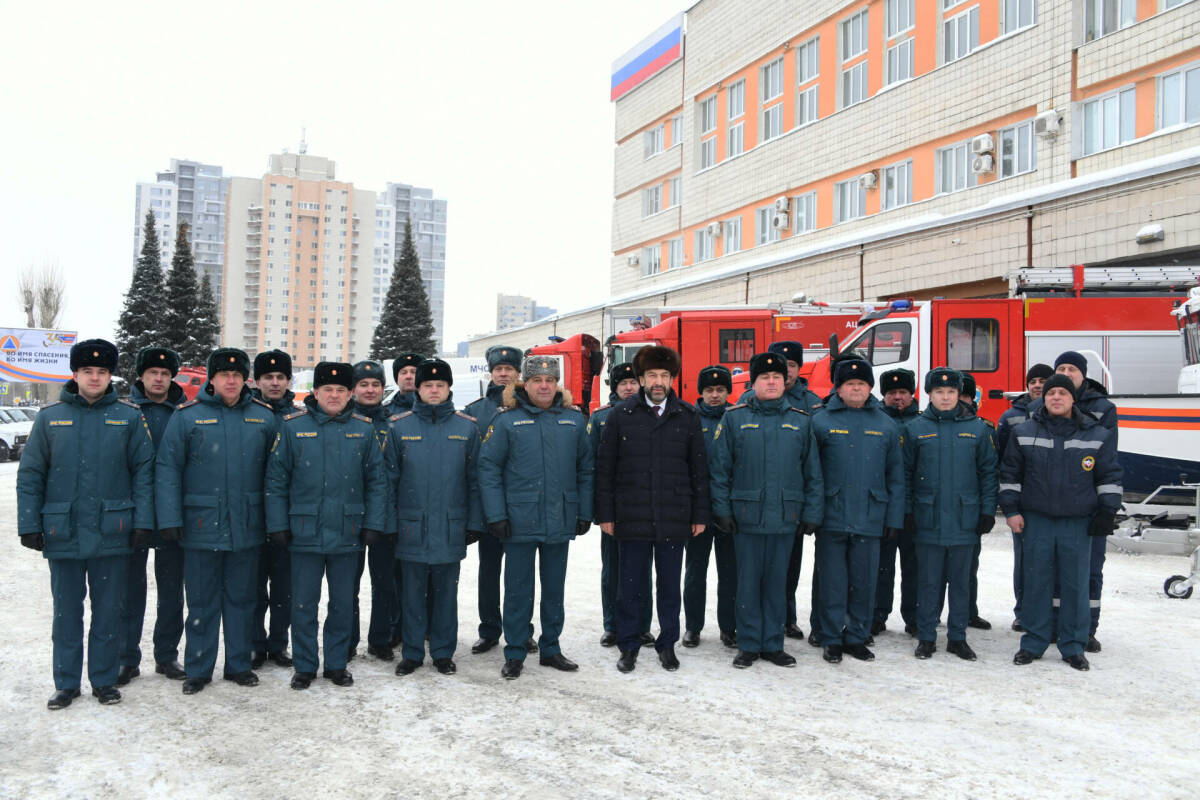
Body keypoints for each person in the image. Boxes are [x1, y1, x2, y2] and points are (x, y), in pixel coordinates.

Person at [17, 339, 155, 709]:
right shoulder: (50, 418)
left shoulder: (128, 417)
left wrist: (143, 521)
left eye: (102, 372)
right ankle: (66, 682)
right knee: (66, 612)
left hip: (114, 531)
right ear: (74, 375)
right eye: (87, 371)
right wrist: (29, 523)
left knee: (109, 610)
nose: (95, 378)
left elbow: (144, 472)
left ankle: (104, 680)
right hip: (63, 530)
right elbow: (31, 474)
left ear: (111, 376)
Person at [156, 347, 280, 695]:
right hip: (199, 527)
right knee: (202, 601)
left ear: (246, 380)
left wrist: (274, 522)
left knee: (242, 600)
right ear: (211, 379)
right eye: (224, 374)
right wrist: (169, 517)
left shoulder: (263, 418)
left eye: (237, 375)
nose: (230, 380)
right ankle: (198, 667)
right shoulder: (187, 418)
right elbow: (167, 471)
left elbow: (277, 476)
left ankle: (239, 665)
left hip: (248, 526)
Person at [265, 362, 386, 689]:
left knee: (342, 603)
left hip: (348, 531)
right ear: (315, 393)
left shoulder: (363, 429)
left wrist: (373, 523)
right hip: (303, 531)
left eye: (340, 390)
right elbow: (276, 480)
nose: (334, 395)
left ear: (350, 394)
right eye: (327, 390)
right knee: (303, 603)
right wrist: (278, 524)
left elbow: (377, 481)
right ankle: (304, 666)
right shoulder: (293, 427)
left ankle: (336, 664)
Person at [478, 356, 593, 679]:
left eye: (550, 380)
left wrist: (583, 511)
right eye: (536, 380)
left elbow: (586, 468)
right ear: (523, 385)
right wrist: (496, 515)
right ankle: (515, 651)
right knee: (517, 590)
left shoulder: (573, 421)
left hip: (559, 518)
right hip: (518, 521)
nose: (544, 386)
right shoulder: (506, 421)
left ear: (557, 384)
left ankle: (551, 648)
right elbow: (488, 470)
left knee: (554, 589)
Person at [595, 346, 709, 673]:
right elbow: (606, 470)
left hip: (674, 516)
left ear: (672, 379)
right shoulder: (621, 415)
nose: (658, 382)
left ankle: (667, 644)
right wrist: (606, 514)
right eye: (651, 376)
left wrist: (700, 515)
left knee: (669, 588)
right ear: (641, 379)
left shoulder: (687, 416)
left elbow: (699, 471)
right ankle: (628, 645)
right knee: (629, 586)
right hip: (631, 516)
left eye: (664, 376)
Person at [1000, 374, 1122, 671]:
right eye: (1051, 392)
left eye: (1062, 393)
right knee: (1037, 583)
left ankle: (1073, 646)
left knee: (1075, 586)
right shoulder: (1025, 431)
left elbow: (1109, 476)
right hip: (1037, 520)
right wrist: (1011, 510)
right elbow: (1010, 475)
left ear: (1072, 399)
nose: (1056, 397)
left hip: (1077, 523)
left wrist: (1107, 511)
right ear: (1044, 398)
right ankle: (1033, 642)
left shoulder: (1096, 434)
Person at [711, 352, 823, 669]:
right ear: (754, 382)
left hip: (786, 516)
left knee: (777, 583)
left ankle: (773, 643)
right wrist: (722, 510)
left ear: (784, 382)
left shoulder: (800, 420)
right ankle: (748, 644)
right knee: (747, 583)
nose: (772, 382)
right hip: (745, 518)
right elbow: (720, 470)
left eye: (776, 377)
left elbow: (812, 472)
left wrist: (812, 512)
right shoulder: (734, 418)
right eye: (764, 378)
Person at [388, 359, 483, 676]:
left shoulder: (466, 428)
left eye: (439, 385)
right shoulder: (399, 427)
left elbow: (475, 481)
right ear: (418, 388)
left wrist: (473, 522)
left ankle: (443, 652)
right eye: (428, 385)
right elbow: (388, 481)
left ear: (448, 388)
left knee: (446, 593)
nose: (433, 390)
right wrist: (390, 522)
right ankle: (412, 652)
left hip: (450, 525)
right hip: (410, 526)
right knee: (412, 593)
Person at [811, 355, 904, 664]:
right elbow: (812, 473)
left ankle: (857, 635)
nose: (856, 389)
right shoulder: (821, 421)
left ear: (870, 388)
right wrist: (813, 513)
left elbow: (896, 476)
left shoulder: (886, 424)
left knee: (864, 581)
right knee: (833, 581)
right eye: (850, 384)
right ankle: (831, 637)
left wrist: (893, 517)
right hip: (832, 515)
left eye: (862, 384)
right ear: (839, 388)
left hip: (870, 515)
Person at [905, 368, 998, 661]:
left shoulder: (979, 430)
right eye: (939, 393)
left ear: (960, 395)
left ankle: (958, 637)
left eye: (951, 393)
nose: (945, 398)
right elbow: (905, 475)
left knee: (961, 581)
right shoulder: (915, 429)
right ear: (929, 395)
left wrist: (986, 511)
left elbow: (988, 474)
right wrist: (907, 511)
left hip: (964, 518)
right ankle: (927, 636)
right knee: (929, 581)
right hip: (927, 517)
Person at [119, 346, 188, 685]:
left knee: (172, 591)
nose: (159, 379)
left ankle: (167, 655)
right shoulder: (125, 410)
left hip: (173, 513)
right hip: (134, 514)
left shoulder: (185, 412)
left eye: (164, 374)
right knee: (130, 589)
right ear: (141, 376)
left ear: (172, 377)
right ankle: (126, 657)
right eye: (152, 373)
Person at [463, 344, 538, 656]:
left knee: (522, 574)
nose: (504, 374)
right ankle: (490, 628)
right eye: (499, 369)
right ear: (491, 372)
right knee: (489, 570)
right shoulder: (475, 411)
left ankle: (523, 630)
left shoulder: (531, 407)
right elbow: (469, 464)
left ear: (519, 373)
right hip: (487, 507)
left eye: (509, 369)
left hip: (523, 505)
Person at [1048, 351, 1117, 653]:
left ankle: (1087, 628)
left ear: (1084, 375)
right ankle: (1054, 625)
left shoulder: (1103, 409)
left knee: (1090, 571)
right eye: (1061, 368)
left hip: (1087, 505)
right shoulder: (1046, 405)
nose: (1067, 372)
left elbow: (1108, 462)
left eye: (1072, 369)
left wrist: (1107, 507)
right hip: (1053, 505)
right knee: (1054, 571)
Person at [588, 362, 653, 648]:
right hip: (614, 506)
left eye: (632, 382)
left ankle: (641, 625)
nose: (628, 387)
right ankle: (612, 625)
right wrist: (597, 508)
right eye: (622, 382)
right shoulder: (601, 418)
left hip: (647, 505)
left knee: (642, 569)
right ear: (613, 387)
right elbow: (590, 465)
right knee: (612, 569)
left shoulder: (653, 414)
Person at [682, 365, 738, 650]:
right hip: (698, 510)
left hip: (729, 511)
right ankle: (693, 627)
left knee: (730, 573)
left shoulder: (738, 418)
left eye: (720, 390)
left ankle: (729, 627)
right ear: (700, 393)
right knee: (695, 572)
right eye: (709, 390)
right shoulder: (687, 419)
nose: (714, 395)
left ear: (728, 392)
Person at [348, 359, 399, 662]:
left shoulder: (395, 422)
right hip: (351, 515)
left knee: (385, 583)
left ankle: (381, 639)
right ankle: (348, 639)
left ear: (383, 388)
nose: (370, 390)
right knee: (347, 586)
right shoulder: (344, 420)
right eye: (363, 385)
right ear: (353, 389)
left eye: (375, 385)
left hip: (386, 517)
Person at [248, 349, 296, 670]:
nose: (275, 383)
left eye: (280, 377)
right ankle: (253, 645)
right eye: (268, 377)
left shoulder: (299, 416)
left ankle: (278, 644)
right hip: (251, 515)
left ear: (289, 380)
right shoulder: (246, 413)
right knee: (251, 588)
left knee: (284, 588)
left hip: (289, 517)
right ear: (257, 380)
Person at [996, 363, 1053, 632]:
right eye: (1033, 380)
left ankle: (1048, 613)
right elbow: (1004, 461)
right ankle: (1023, 611)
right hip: (1022, 502)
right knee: (1024, 560)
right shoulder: (1010, 417)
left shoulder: (1062, 413)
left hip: (1051, 502)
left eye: (1043, 380)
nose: (1037, 385)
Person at [874, 367, 920, 638]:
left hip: (914, 509)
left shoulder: (923, 423)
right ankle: (877, 615)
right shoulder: (876, 421)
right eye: (891, 393)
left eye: (903, 392)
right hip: (883, 507)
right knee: (882, 567)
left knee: (914, 568)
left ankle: (913, 617)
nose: (898, 397)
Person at [957, 372, 996, 632]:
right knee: (932, 571)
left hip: (969, 511)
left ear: (974, 399)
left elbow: (990, 473)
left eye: (965, 396)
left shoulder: (985, 430)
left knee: (968, 567)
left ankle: (968, 612)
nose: (959, 401)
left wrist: (987, 510)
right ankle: (928, 615)